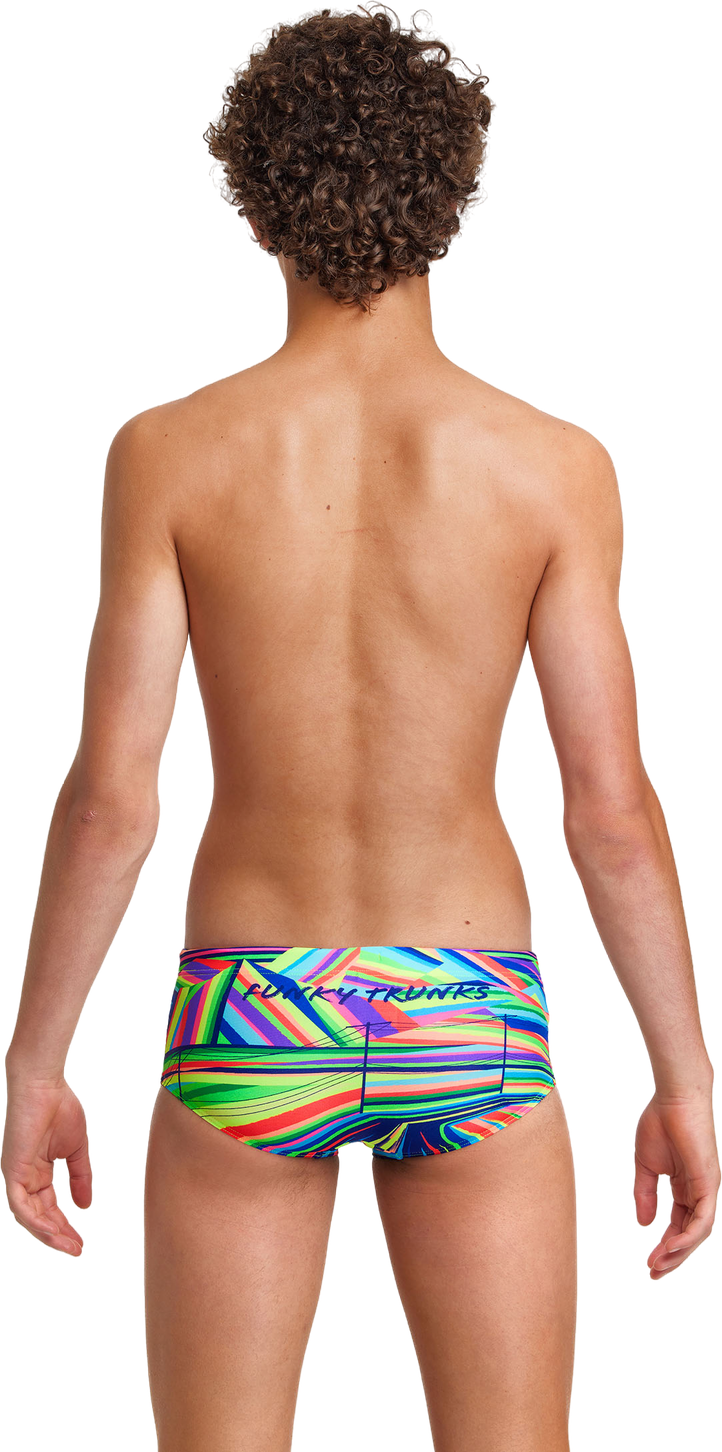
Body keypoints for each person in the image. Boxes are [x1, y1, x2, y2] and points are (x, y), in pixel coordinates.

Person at [1, 7, 719, 1451]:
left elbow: (114, 798)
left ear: (252, 202)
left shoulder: (168, 453)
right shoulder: (553, 465)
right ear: (454, 198)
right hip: (467, 1011)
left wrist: (35, 1061)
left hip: (251, 1010)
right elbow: (608, 809)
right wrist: (683, 1072)